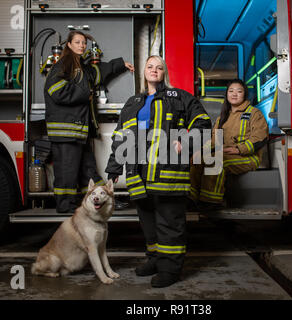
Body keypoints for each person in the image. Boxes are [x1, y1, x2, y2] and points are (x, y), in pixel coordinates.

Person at [105, 55, 212, 288]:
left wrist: (187, 142)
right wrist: (114, 167)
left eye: (159, 67)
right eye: (150, 66)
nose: (154, 70)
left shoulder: (180, 97)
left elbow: (203, 123)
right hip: (138, 174)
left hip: (168, 173)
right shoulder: (133, 102)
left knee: (169, 224)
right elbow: (120, 137)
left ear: (165, 73)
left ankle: (170, 269)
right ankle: (154, 260)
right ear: (144, 72)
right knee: (148, 223)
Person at [44, 31, 134, 213]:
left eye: (84, 42)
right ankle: (65, 206)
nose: (81, 45)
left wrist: (120, 65)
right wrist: (85, 93)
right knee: (67, 172)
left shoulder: (81, 67)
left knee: (88, 170)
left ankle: (103, 201)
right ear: (68, 45)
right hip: (66, 131)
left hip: (78, 131)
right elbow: (55, 90)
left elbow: (98, 72)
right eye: (77, 42)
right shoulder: (63, 64)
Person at [190, 79, 269, 208]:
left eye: (239, 91)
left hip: (248, 157)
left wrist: (239, 149)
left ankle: (211, 202)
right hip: (224, 154)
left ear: (245, 94)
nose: (234, 94)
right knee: (197, 161)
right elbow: (214, 141)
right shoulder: (223, 117)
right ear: (227, 94)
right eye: (231, 91)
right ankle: (192, 199)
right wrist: (200, 152)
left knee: (216, 160)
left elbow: (260, 137)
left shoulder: (254, 113)